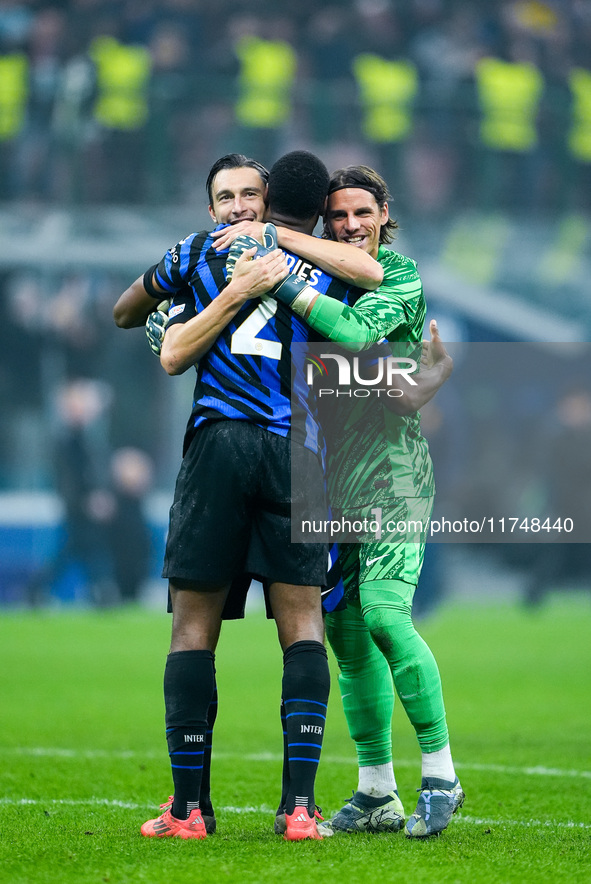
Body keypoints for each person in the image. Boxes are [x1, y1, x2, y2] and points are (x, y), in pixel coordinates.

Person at [113, 151, 383, 842]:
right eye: (226, 196)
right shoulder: (322, 264)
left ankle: (188, 810)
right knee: (301, 625)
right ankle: (298, 809)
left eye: (247, 195)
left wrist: (173, 307)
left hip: (221, 446)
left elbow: (123, 312)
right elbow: (367, 277)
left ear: (265, 200)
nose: (237, 206)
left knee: (192, 628)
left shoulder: (200, 252)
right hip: (299, 453)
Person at [232, 164, 461, 839]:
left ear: (385, 214)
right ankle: (375, 792)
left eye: (362, 212)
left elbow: (359, 338)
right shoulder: (327, 270)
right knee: (348, 637)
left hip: (392, 475)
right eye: (337, 217)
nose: (350, 225)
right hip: (328, 482)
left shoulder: (398, 275)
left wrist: (282, 273)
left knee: (387, 619)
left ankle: (442, 776)